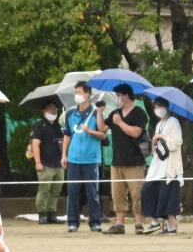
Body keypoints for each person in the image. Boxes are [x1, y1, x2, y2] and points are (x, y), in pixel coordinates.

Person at [105, 84, 148, 235]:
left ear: (126, 95)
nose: (117, 99)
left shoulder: (139, 113)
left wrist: (120, 123)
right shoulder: (115, 113)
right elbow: (101, 127)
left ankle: (139, 223)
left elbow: (136, 132)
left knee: (137, 193)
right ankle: (119, 224)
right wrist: (98, 112)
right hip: (117, 160)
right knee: (117, 193)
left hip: (134, 160)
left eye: (118, 95)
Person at [63, 84, 107, 234]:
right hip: (73, 158)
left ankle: (95, 221)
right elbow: (67, 135)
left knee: (92, 191)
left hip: (91, 159)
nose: (77, 95)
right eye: (75, 92)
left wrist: (91, 130)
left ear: (88, 94)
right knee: (73, 191)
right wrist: (64, 155)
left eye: (79, 92)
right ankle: (72, 222)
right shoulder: (70, 114)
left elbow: (102, 133)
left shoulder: (95, 112)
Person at [140, 97, 184, 234]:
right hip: (158, 164)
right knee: (148, 189)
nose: (158, 109)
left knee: (168, 195)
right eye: (156, 106)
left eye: (160, 106)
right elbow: (157, 150)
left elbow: (177, 142)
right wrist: (154, 142)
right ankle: (155, 220)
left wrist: (163, 137)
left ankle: (171, 224)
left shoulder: (174, 122)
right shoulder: (159, 124)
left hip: (170, 165)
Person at [29, 99, 65, 226]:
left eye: (55, 109)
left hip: (59, 164)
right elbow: (35, 144)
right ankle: (42, 214)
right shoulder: (40, 125)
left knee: (56, 190)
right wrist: (38, 162)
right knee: (44, 189)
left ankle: (52, 213)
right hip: (45, 164)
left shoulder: (59, 126)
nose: (53, 111)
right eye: (50, 109)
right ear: (44, 111)